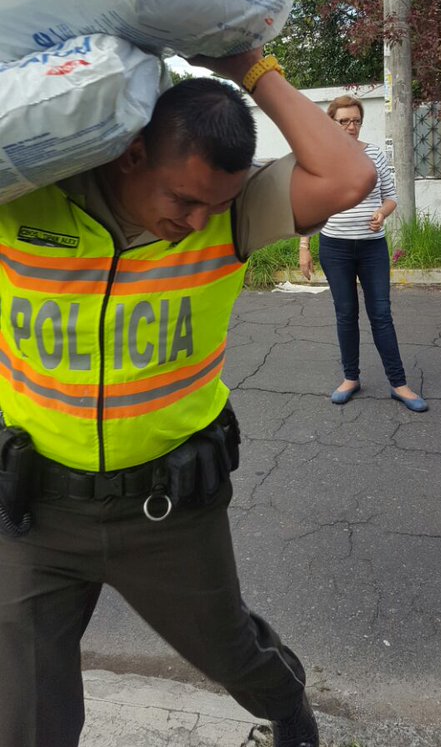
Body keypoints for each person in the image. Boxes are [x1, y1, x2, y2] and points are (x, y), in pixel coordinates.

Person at [0, 49, 377, 747]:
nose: (199, 219)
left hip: (166, 511)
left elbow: (351, 175)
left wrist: (253, 68)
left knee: (230, 651)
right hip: (36, 514)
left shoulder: (227, 220)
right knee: (23, 714)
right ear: (131, 154)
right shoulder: (21, 200)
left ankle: (290, 710)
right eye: (186, 199)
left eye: (218, 203)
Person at [299, 95, 427, 412]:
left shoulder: (374, 155)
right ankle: (350, 378)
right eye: (344, 121)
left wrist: (382, 214)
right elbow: (308, 205)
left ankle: (399, 383)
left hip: (372, 249)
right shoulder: (319, 159)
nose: (351, 127)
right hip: (335, 247)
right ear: (332, 123)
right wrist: (304, 247)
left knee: (381, 315)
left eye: (355, 120)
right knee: (346, 314)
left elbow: (391, 198)